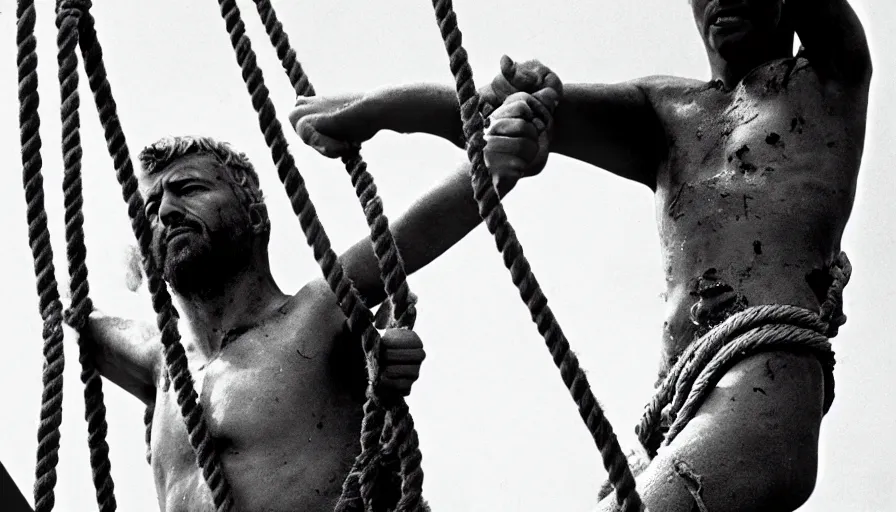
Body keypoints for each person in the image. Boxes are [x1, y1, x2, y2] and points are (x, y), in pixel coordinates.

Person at [289, 0, 872, 510]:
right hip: (676, 409)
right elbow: (496, 111)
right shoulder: (668, 113)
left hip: (762, 386)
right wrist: (377, 110)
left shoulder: (830, 78)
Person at [81, 120, 553, 510]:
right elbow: (75, 314)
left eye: (188, 189)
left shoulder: (314, 313)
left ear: (254, 211)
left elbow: (413, 233)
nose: (165, 211)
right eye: (149, 207)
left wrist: (497, 160)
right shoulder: (164, 365)